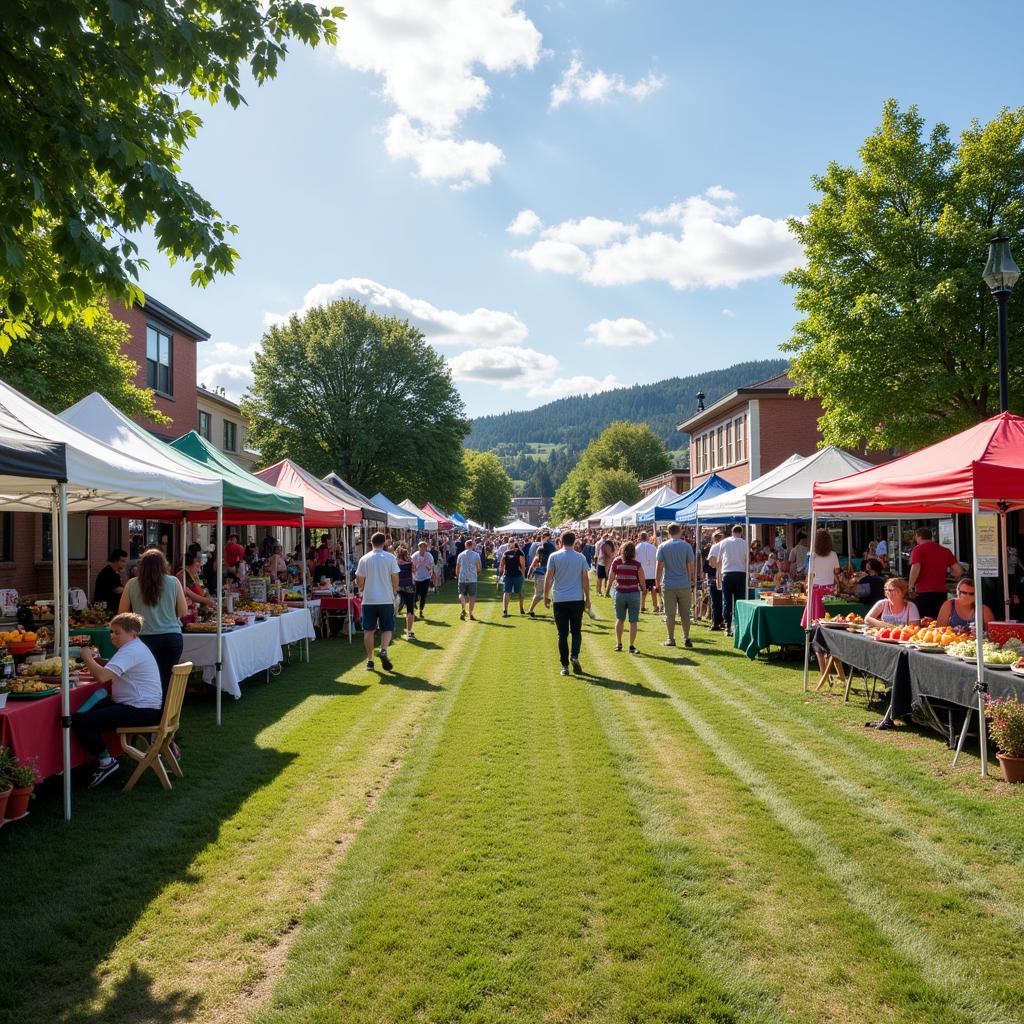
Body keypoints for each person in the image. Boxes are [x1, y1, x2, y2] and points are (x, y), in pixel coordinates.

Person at [73, 612, 165, 788]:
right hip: (142, 705)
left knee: (82, 722)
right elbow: (111, 667)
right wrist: (96, 659)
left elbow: (102, 676)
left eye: (117, 632)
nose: (112, 636)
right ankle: (91, 762)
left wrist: (86, 657)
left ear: (132, 634)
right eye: (111, 632)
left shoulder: (131, 650)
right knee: (80, 714)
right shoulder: (134, 647)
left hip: (140, 710)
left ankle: (106, 762)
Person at [118, 548, 187, 697]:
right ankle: (166, 712)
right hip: (171, 637)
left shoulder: (131, 584)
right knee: (168, 678)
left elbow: (122, 614)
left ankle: (151, 708)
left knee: (147, 679)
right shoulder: (174, 582)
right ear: (163, 565)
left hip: (144, 638)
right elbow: (183, 612)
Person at [543, 531, 592, 676]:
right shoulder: (580, 557)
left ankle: (564, 665)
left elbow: (549, 577)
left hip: (560, 599)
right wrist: (588, 598)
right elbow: (585, 579)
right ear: (574, 541)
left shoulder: (554, 556)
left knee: (562, 634)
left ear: (561, 541)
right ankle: (574, 656)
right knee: (576, 631)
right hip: (576, 599)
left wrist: (545, 595)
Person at [356, 531, 400, 672]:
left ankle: (370, 660)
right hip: (385, 598)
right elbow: (395, 577)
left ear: (371, 542)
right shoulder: (390, 557)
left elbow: (359, 580)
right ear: (384, 542)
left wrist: (362, 586)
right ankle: (384, 650)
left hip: (369, 599)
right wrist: (394, 590)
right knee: (387, 628)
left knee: (369, 630)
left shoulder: (364, 559)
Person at [656, 523, 696, 648]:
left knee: (670, 614)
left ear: (668, 532)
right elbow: (691, 565)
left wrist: (657, 583)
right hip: (684, 584)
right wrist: (691, 580)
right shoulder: (686, 546)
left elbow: (659, 566)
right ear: (680, 531)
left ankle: (671, 638)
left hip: (669, 584)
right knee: (685, 614)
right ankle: (686, 637)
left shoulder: (663, 546)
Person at [908, 527, 962, 619]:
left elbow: (916, 567)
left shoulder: (918, 549)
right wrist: (948, 572)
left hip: (923, 591)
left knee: (923, 621)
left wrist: (910, 586)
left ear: (918, 537)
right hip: (941, 591)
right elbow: (958, 571)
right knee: (939, 620)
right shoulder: (945, 550)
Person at [799, 529, 842, 629]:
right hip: (829, 589)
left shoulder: (812, 555)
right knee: (828, 617)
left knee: (813, 617)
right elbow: (837, 571)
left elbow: (810, 574)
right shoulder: (833, 554)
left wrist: (806, 586)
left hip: (815, 588)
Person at [609, 541, 645, 654]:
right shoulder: (637, 565)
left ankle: (619, 643)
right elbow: (642, 583)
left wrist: (607, 589)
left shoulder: (616, 562)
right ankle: (631, 646)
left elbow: (611, 577)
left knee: (620, 619)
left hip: (620, 593)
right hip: (633, 593)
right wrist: (642, 588)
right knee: (633, 621)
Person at [717, 525, 748, 637]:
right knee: (739, 600)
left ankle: (727, 626)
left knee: (727, 600)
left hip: (727, 573)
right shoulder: (744, 543)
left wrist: (719, 575)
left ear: (732, 532)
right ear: (741, 532)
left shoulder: (724, 542)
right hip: (740, 573)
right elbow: (747, 559)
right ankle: (738, 625)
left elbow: (719, 560)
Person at [527, 530, 556, 617]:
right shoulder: (551, 552)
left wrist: (529, 574)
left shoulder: (539, 552)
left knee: (538, 594)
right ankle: (548, 605)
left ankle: (531, 610)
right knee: (547, 593)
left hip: (540, 575)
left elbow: (532, 565)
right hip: (549, 575)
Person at [456, 538, 483, 621]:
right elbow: (479, 567)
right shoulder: (476, 555)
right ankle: (471, 613)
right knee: (472, 596)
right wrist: (477, 573)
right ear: (471, 546)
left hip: (462, 578)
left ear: (465, 545)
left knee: (461, 594)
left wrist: (457, 576)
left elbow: (457, 567)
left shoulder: (460, 555)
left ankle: (464, 608)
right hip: (472, 578)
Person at [394, 545, 417, 641]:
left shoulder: (394, 562)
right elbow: (415, 571)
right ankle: (409, 632)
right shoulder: (410, 563)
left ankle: (391, 627)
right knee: (410, 610)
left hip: (397, 586)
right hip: (409, 586)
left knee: (394, 606)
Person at [635, 532, 659, 614]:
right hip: (651, 571)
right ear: (647, 538)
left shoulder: (637, 548)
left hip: (641, 572)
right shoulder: (653, 547)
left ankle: (642, 606)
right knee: (653, 589)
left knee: (643, 589)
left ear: (640, 537)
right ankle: (655, 606)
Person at [706, 530, 725, 631]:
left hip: (716, 575)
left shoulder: (714, 547)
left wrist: (718, 566)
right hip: (726, 574)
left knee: (715, 600)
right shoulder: (726, 545)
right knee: (724, 600)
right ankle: (723, 621)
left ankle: (716, 622)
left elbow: (711, 563)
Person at [502, 540, 526, 617]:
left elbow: (502, 565)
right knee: (517, 593)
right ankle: (519, 609)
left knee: (508, 592)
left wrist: (501, 574)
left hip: (511, 575)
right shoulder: (519, 553)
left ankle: (507, 610)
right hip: (514, 575)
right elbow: (523, 566)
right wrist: (523, 575)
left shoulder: (506, 553)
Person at [411, 541, 435, 619]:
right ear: (419, 547)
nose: (423, 549)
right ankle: (413, 608)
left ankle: (421, 611)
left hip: (426, 578)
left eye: (425, 547)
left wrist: (425, 564)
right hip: (417, 578)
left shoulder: (429, 555)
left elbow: (431, 567)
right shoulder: (414, 556)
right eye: (422, 547)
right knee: (415, 595)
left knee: (423, 596)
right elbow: (412, 568)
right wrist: (418, 563)